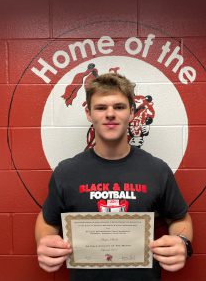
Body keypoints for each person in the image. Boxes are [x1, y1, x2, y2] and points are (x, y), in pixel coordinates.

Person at [35, 73, 193, 281]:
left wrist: (182, 242)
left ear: (132, 112)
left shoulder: (157, 170)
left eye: (119, 107)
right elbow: (47, 221)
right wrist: (44, 242)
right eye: (101, 108)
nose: (110, 114)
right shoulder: (66, 171)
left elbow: (180, 217)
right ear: (89, 113)